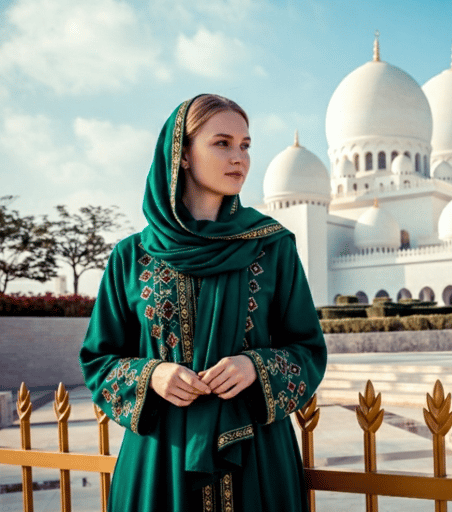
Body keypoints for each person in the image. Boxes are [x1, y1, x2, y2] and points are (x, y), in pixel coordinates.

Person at [79, 94, 327, 511]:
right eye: (222, 143)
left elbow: (308, 350)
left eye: (245, 145)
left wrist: (255, 366)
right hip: (162, 459)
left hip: (256, 459)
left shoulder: (272, 247)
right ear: (183, 155)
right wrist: (152, 375)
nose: (240, 158)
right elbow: (99, 359)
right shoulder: (132, 256)